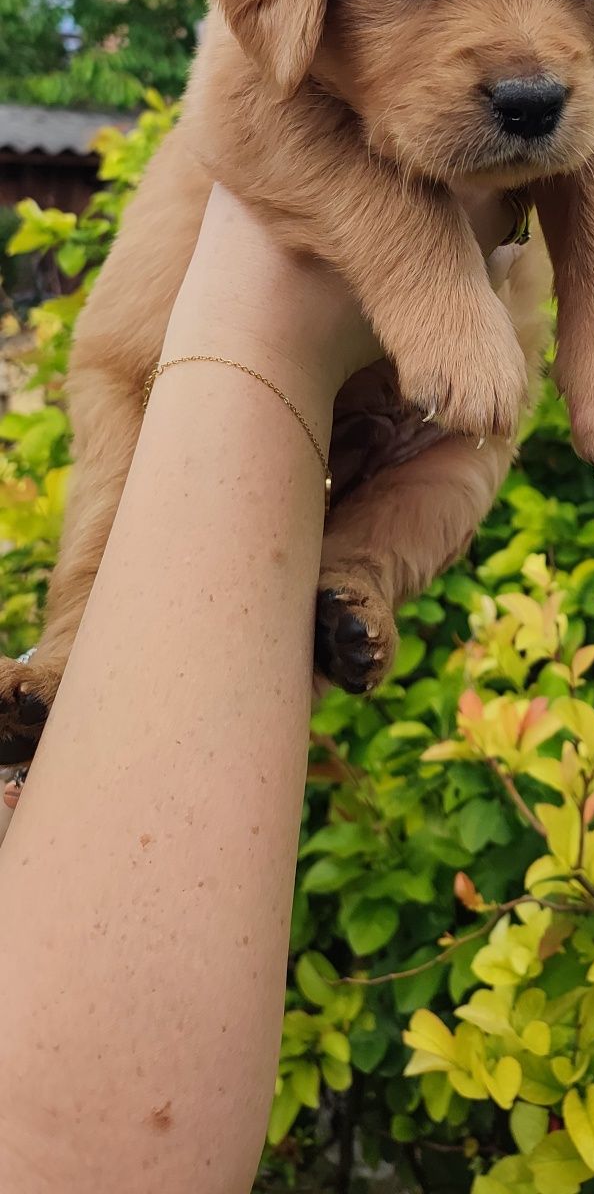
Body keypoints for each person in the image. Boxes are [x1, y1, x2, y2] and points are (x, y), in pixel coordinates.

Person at [0, 181, 518, 1194]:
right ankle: (69, 660)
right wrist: (288, 328)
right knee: (109, 543)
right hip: (158, 362)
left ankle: (354, 577)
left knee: (458, 467)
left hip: (426, 406)